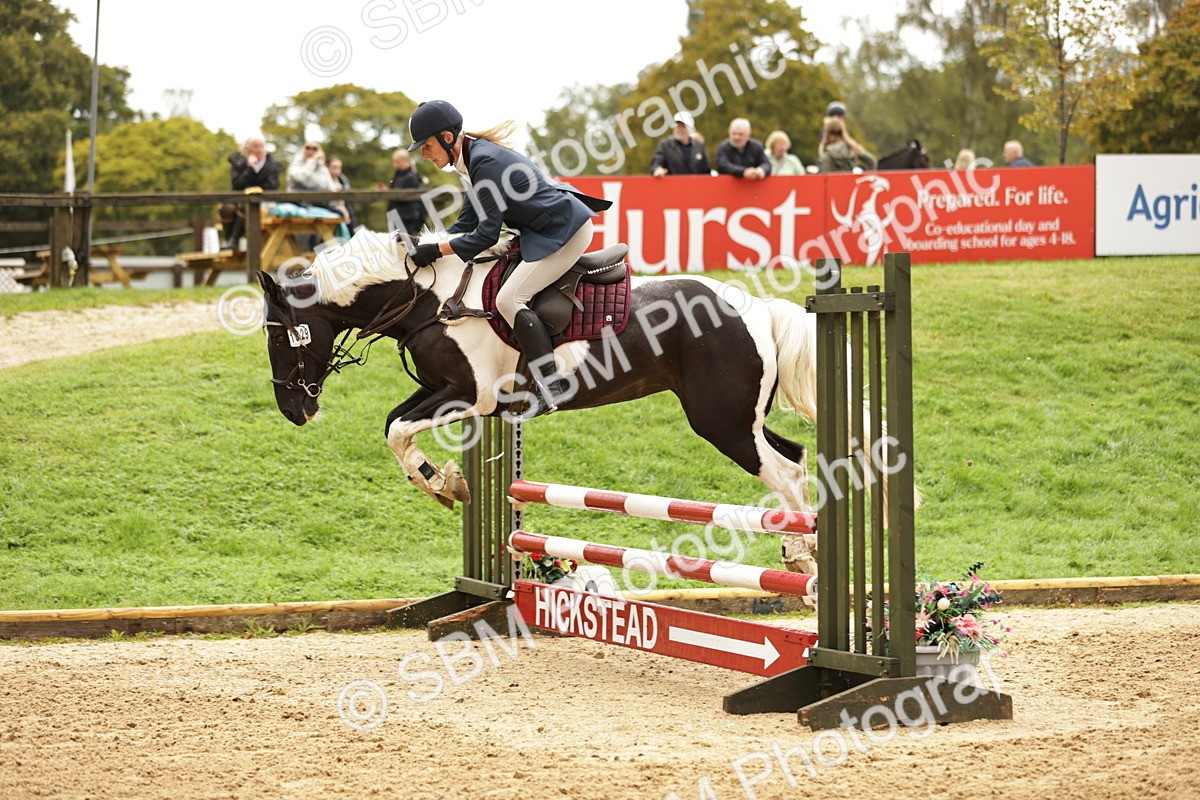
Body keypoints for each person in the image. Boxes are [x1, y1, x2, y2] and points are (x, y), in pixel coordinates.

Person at [405, 100, 608, 417]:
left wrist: (436, 250)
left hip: (565, 232)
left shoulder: (484, 162)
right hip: (544, 230)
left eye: (427, 146)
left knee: (510, 300)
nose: (424, 155)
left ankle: (552, 385)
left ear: (447, 137)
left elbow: (485, 236)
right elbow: (464, 226)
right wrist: (424, 243)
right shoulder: (473, 158)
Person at [221, 136, 282, 249]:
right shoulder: (238, 161)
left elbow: (273, 186)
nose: (259, 149)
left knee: (247, 206)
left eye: (261, 146)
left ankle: (234, 240)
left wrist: (260, 171)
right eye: (255, 146)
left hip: (264, 201)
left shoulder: (272, 164)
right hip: (238, 199)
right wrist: (250, 168)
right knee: (226, 208)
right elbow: (237, 184)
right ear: (247, 148)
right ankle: (229, 240)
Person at [380, 149, 426, 234]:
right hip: (397, 216)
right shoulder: (399, 174)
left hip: (406, 218)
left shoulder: (411, 177)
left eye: (397, 161)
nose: (395, 164)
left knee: (404, 243)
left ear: (404, 160)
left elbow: (411, 198)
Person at [650, 112, 710, 176]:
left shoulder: (699, 146)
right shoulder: (665, 145)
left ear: (690, 128)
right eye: (677, 126)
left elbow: (705, 170)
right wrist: (657, 169)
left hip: (695, 185)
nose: (679, 129)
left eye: (683, 126)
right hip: (672, 185)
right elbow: (657, 162)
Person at [327, 157, 357, 228]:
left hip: (345, 208)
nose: (337, 170)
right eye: (334, 167)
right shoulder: (323, 180)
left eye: (339, 167)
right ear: (327, 167)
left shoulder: (343, 180)